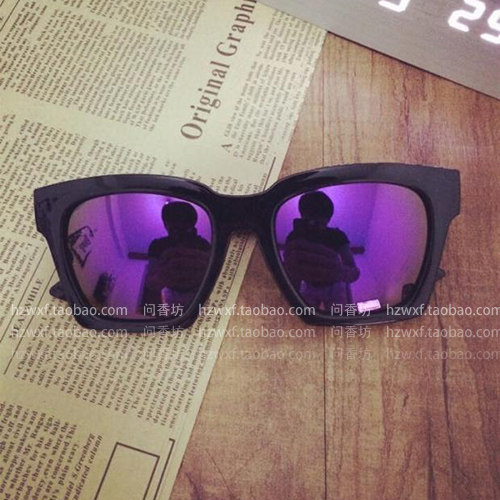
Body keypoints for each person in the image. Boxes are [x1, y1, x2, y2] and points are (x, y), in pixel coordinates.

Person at [283, 191, 359, 310]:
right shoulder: (336, 235)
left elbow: (354, 273)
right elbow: (354, 272)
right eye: (311, 218)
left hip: (329, 285)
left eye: (318, 220)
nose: (314, 225)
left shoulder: (295, 236)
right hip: (312, 285)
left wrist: (337, 270)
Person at [141, 202, 211, 315]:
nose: (178, 232)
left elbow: (151, 283)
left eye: (183, 225)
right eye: (174, 226)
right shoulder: (158, 246)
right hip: (175, 296)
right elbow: (152, 283)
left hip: (196, 293)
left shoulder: (158, 245)